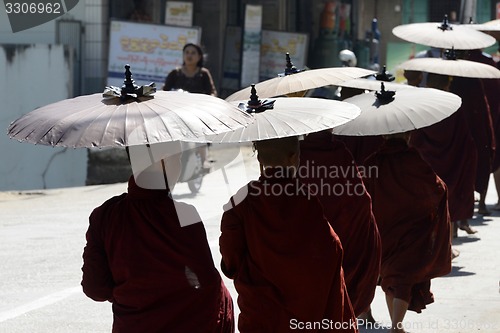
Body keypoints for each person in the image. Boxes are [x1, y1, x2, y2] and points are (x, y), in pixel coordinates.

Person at [81, 143, 234, 333]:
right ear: (163, 161)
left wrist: (132, 294)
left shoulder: (105, 216)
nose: (179, 165)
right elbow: (206, 284)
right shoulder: (184, 215)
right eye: (177, 158)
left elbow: (95, 288)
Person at [219, 136, 358, 333]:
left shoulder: (242, 201)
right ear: (293, 158)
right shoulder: (305, 197)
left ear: (260, 160)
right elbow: (332, 247)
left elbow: (230, 255)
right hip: (306, 312)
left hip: (261, 313)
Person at [363, 132, 452, 333]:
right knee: (402, 276)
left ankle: (396, 324)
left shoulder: (373, 162)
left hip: (384, 226)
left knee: (389, 274)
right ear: (408, 135)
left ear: (384, 135)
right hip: (412, 227)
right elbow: (437, 187)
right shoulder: (413, 159)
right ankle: (396, 326)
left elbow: (362, 193)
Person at [298, 130, 381, 318]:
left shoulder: (298, 154)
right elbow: (360, 196)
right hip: (345, 226)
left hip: (313, 231)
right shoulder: (339, 151)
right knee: (348, 273)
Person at [408, 72, 478, 237]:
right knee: (451, 197)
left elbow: (415, 137)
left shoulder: (421, 106)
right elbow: (465, 138)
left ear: (428, 84)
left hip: (427, 161)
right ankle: (452, 233)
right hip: (454, 160)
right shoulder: (453, 106)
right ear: (447, 85)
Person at [163, 43, 217, 169]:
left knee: (200, 134)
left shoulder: (203, 74)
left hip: (197, 112)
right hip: (177, 113)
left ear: (199, 57)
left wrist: (209, 100)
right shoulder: (174, 74)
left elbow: (212, 92)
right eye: (187, 52)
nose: (189, 55)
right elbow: (164, 92)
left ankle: (204, 160)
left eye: (193, 53)